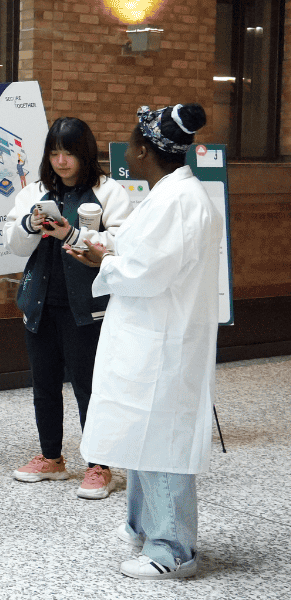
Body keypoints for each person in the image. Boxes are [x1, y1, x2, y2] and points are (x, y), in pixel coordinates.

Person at [69, 103, 215, 580]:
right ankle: (142, 526)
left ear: (147, 150)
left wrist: (101, 263)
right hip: (151, 335)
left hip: (165, 342)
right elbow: (138, 242)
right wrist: (104, 245)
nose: (126, 152)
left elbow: (147, 270)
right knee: (141, 435)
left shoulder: (179, 200)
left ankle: (173, 549)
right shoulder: (168, 194)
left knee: (162, 442)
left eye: (131, 144)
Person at [2, 117, 132, 500]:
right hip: (40, 303)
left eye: (69, 153)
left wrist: (76, 234)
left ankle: (99, 465)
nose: (61, 161)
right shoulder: (36, 192)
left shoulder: (108, 192)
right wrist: (29, 223)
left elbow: (122, 242)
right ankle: (51, 457)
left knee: (89, 386)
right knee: (43, 384)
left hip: (87, 307)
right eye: (55, 152)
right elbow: (15, 245)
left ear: (84, 153)